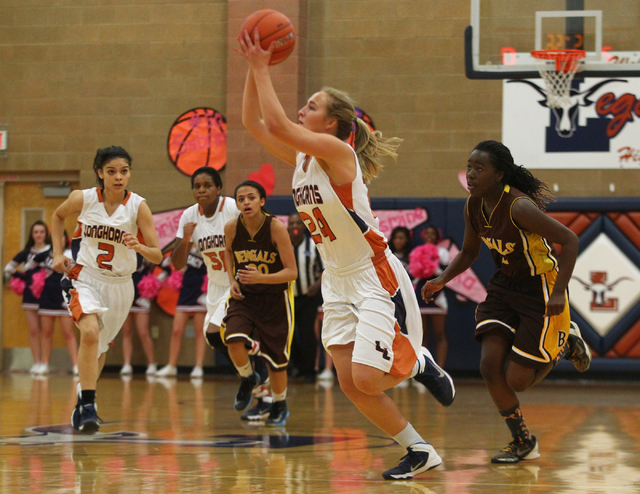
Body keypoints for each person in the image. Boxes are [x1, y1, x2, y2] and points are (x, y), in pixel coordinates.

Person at [237, 30, 455, 480]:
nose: (301, 111)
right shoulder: (302, 161)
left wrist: (263, 68)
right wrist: (249, 67)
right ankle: (419, 450)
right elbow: (254, 125)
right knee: (351, 384)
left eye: (311, 107)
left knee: (369, 376)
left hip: (371, 273)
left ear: (333, 123)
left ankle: (417, 361)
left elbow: (277, 124)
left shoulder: (339, 153)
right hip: (337, 278)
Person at [422, 140, 592, 463]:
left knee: (518, 380)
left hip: (539, 286)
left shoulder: (518, 207)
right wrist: (443, 278)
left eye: (479, 168)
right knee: (488, 365)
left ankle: (565, 342)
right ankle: (522, 441)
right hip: (504, 286)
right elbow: (470, 252)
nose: (471, 174)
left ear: (499, 174)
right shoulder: (472, 205)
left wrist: (559, 293)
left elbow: (570, 240)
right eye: (469, 166)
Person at [52, 146, 162, 433]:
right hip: (85, 277)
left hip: (121, 286)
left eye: (124, 171)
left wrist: (139, 247)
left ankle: (82, 397)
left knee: (99, 347)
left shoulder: (138, 206)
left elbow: (157, 255)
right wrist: (56, 253)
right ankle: (89, 403)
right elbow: (57, 216)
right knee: (89, 333)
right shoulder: (84, 198)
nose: (118, 177)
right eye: (111, 171)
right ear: (100, 173)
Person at [223, 180, 297, 427]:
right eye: (241, 199)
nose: (246, 202)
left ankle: (279, 404)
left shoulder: (276, 227)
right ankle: (247, 378)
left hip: (275, 300)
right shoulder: (232, 227)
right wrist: (231, 279)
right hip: (245, 298)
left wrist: (261, 278)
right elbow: (227, 252)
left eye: (251, 198)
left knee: (276, 361)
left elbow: (292, 272)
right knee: (232, 339)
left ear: (262, 201)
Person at [156, 167, 241, 379]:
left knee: (218, 333)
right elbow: (177, 264)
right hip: (214, 284)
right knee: (212, 338)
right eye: (197, 187)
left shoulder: (231, 207)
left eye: (207, 186)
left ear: (218, 188)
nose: (201, 190)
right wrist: (185, 240)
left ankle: (250, 372)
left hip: (237, 281)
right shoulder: (189, 215)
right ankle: (250, 375)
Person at [26, 230, 79, 375]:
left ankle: (76, 365)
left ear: (65, 239)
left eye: (61, 237)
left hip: (65, 297)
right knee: (47, 333)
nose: (58, 239)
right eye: (55, 237)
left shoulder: (71, 254)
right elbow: (28, 268)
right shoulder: (44, 255)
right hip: (47, 297)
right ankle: (44, 364)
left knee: (68, 333)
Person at [4, 220, 51, 374]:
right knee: (34, 330)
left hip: (48, 295)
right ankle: (36, 362)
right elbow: (9, 268)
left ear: (46, 234)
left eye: (41, 232)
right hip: (30, 296)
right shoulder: (27, 252)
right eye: (36, 232)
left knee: (47, 331)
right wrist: (25, 278)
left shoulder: (51, 251)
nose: (39, 235)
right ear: (32, 234)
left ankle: (45, 362)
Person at [155, 249, 207, 378]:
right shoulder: (186, 245)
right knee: (176, 331)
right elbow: (174, 263)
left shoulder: (206, 244)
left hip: (201, 291)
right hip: (185, 290)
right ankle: (171, 366)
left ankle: (198, 367)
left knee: (199, 332)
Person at [287, 212, 324, 382]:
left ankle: (309, 370)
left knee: (308, 334)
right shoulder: (282, 245)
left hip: (308, 297)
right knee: (289, 334)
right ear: (288, 226)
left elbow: (324, 271)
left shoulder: (313, 245)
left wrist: (316, 286)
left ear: (304, 227)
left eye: (298, 223)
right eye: (292, 223)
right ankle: (297, 365)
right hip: (288, 298)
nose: (295, 226)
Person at [414, 225, 450, 367]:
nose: (429, 236)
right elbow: (414, 273)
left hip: (438, 296)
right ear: (423, 235)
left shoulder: (443, 252)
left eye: (432, 233)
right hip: (421, 295)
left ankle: (441, 369)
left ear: (437, 237)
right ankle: (424, 368)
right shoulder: (417, 251)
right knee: (422, 336)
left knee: (439, 334)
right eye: (427, 233)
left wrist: (432, 268)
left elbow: (445, 275)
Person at [120, 256, 158, 377]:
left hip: (142, 295)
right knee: (126, 331)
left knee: (143, 331)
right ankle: (126, 364)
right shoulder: (123, 248)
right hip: (125, 292)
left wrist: (155, 282)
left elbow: (164, 266)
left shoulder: (147, 249)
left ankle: (152, 364)